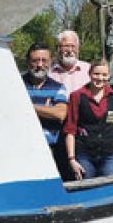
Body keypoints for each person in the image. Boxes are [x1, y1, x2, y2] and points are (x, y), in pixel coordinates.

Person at [63, 60, 113, 180]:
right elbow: (70, 130)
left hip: (109, 154)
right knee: (86, 187)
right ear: (90, 74)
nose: (100, 78)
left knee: (110, 186)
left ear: (109, 76)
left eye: (104, 75)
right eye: (96, 74)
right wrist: (72, 159)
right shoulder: (77, 96)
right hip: (85, 154)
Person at [22, 42, 70, 178]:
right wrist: (47, 109)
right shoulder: (16, 84)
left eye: (44, 60)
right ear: (28, 62)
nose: (40, 65)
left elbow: (60, 113)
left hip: (50, 149)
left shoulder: (58, 87)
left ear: (51, 62)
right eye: (35, 60)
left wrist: (27, 106)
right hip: (23, 148)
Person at [49, 30, 90, 94]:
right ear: (58, 48)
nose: (69, 50)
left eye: (73, 46)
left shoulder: (89, 70)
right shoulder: (49, 70)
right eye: (66, 46)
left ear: (78, 48)